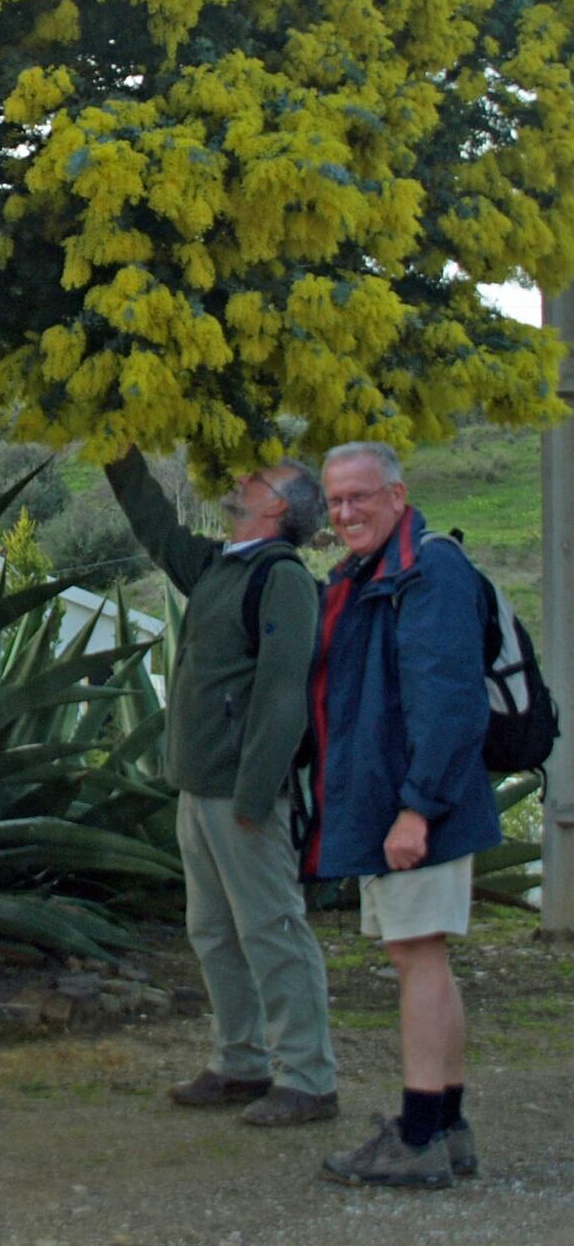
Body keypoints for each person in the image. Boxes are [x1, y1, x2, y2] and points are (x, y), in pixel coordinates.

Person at [104, 448, 337, 1125]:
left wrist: (255, 793)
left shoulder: (283, 580)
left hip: (243, 795)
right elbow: (156, 528)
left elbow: (282, 695)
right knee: (213, 931)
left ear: (278, 508)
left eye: (256, 480)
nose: (240, 482)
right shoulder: (215, 566)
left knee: (272, 930)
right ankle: (239, 1063)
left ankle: (309, 1078)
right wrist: (119, 454)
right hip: (197, 789)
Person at [311, 441, 500, 1191]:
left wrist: (416, 809)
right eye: (336, 502)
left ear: (398, 495)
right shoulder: (378, 570)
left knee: (417, 956)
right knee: (422, 956)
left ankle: (418, 1135)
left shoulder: (429, 568)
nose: (348, 512)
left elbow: (450, 699)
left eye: (361, 497)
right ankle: (445, 1128)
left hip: (421, 806)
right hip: (404, 801)